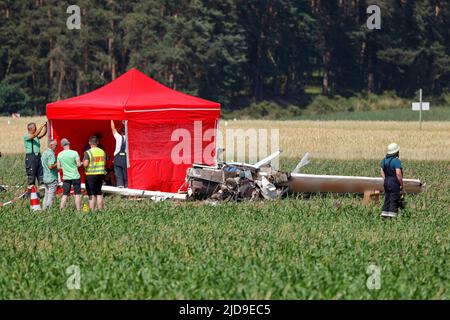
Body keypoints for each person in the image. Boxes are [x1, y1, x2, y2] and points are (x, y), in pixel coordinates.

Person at [57, 138, 82, 211]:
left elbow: (58, 167)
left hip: (66, 177)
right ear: (69, 143)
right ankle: (78, 210)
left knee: (65, 194)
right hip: (75, 176)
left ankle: (61, 209)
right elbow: (78, 165)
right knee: (77, 194)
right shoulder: (74, 153)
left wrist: (65, 167)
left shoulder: (59, 155)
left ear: (62, 145)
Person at [380, 143, 404, 218]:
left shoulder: (384, 160)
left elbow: (382, 171)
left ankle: (384, 216)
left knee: (387, 199)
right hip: (394, 182)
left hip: (386, 181)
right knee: (394, 199)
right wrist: (401, 184)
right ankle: (392, 219)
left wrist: (386, 179)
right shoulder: (396, 161)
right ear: (396, 152)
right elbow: (398, 173)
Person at [83, 135, 106, 210]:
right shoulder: (102, 151)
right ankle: (100, 209)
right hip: (100, 174)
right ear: (97, 142)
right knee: (99, 192)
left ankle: (92, 210)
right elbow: (104, 163)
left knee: (91, 194)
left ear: (89, 142)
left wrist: (82, 164)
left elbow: (86, 164)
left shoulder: (88, 152)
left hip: (90, 175)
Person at [24, 122, 47, 188]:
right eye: (35, 128)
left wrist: (45, 126)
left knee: (40, 175)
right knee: (31, 176)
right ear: (30, 128)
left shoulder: (36, 137)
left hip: (38, 157)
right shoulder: (26, 136)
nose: (36, 129)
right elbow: (35, 134)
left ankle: (42, 193)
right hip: (31, 157)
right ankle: (30, 194)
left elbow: (43, 134)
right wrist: (41, 126)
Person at [41, 139, 58, 209]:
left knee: (46, 195)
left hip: (45, 177)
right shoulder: (51, 154)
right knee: (51, 196)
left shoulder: (45, 153)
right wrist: (58, 163)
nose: (56, 147)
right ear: (51, 146)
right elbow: (50, 166)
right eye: (56, 146)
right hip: (51, 177)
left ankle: (43, 209)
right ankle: (48, 210)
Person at [111, 120, 128, 188]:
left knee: (118, 175)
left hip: (117, 159)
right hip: (126, 159)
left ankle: (120, 186)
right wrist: (125, 124)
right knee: (126, 175)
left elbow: (113, 128)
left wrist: (111, 119)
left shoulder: (118, 137)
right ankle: (127, 187)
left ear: (121, 132)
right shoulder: (129, 138)